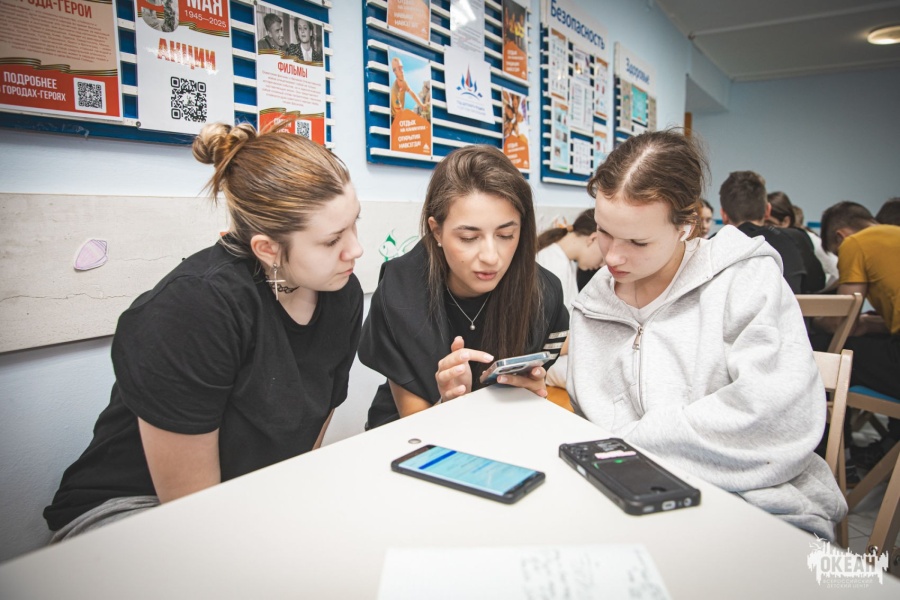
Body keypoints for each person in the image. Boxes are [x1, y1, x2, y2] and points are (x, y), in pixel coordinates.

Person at [43, 123, 364, 540]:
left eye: (355, 223)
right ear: (267, 249)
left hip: (243, 496)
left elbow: (308, 434)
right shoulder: (195, 307)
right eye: (332, 240)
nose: (355, 249)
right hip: (138, 506)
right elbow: (193, 516)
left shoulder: (340, 292)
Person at [568, 130, 846, 540]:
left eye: (638, 241)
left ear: (687, 226)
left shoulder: (745, 279)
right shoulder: (594, 301)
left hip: (756, 504)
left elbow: (775, 418)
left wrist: (630, 444)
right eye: (604, 231)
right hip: (625, 498)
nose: (612, 256)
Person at [359, 145, 569, 429]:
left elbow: (527, 400)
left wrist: (530, 394)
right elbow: (417, 428)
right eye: (469, 238)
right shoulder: (401, 290)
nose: (491, 257)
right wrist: (448, 405)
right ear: (437, 231)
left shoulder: (543, 294)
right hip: (409, 436)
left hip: (498, 432)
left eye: (506, 234)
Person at [536, 210, 604, 388]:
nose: (602, 265)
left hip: (562, 351)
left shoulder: (566, 262)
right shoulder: (551, 263)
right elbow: (544, 342)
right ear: (593, 239)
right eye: (603, 257)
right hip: (548, 357)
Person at [718, 171, 811, 293]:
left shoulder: (711, 246)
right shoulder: (796, 240)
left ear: (724, 215)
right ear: (768, 210)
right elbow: (817, 285)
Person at [765, 191, 830, 291]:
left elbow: (835, 272)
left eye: (769, 223)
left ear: (786, 221)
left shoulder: (809, 239)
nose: (763, 228)